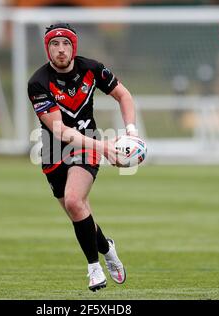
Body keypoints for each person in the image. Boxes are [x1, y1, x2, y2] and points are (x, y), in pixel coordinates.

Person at [27, 22, 138, 292]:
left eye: (66, 44)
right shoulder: (38, 83)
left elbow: (123, 95)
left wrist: (131, 133)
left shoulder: (92, 69)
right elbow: (59, 130)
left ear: (74, 47)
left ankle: (94, 269)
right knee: (79, 214)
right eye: (55, 44)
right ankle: (107, 248)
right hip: (54, 151)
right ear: (47, 49)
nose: (61, 49)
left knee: (76, 201)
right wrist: (104, 148)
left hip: (86, 145)